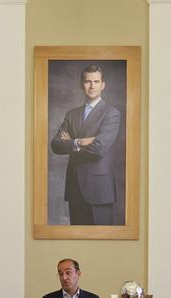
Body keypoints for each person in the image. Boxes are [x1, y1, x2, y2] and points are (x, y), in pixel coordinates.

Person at [50, 65, 122, 226]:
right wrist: (80, 142)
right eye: (88, 81)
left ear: (103, 84)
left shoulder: (112, 113)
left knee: (102, 246)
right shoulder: (71, 114)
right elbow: (55, 145)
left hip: (99, 189)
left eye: (96, 81)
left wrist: (71, 145)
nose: (92, 86)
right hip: (75, 188)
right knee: (77, 242)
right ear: (81, 84)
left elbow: (98, 149)